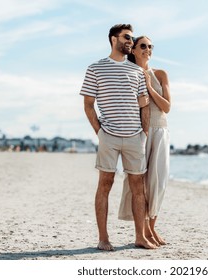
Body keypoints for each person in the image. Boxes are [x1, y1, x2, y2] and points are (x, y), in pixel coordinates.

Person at [79, 24, 156, 251]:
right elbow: (88, 104)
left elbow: (144, 106)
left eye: (132, 38)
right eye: (127, 37)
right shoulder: (95, 68)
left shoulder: (136, 72)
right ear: (114, 39)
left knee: (137, 188)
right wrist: (100, 132)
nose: (130, 41)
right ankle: (103, 238)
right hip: (109, 136)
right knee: (105, 184)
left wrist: (144, 133)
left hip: (135, 137)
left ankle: (140, 237)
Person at [118, 36, 171, 246]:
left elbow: (166, 107)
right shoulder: (128, 74)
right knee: (138, 185)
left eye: (150, 46)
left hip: (160, 131)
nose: (147, 49)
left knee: (158, 182)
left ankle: (151, 228)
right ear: (133, 50)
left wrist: (149, 86)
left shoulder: (160, 74)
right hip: (138, 132)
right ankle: (143, 232)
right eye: (143, 46)